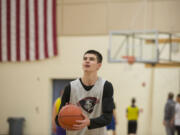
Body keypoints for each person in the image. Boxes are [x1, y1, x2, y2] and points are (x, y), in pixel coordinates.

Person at [55, 50, 114, 135]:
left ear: (99, 65)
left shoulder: (106, 86)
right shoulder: (70, 87)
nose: (87, 60)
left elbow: (107, 118)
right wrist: (64, 120)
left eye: (91, 59)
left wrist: (89, 122)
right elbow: (58, 119)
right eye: (85, 58)